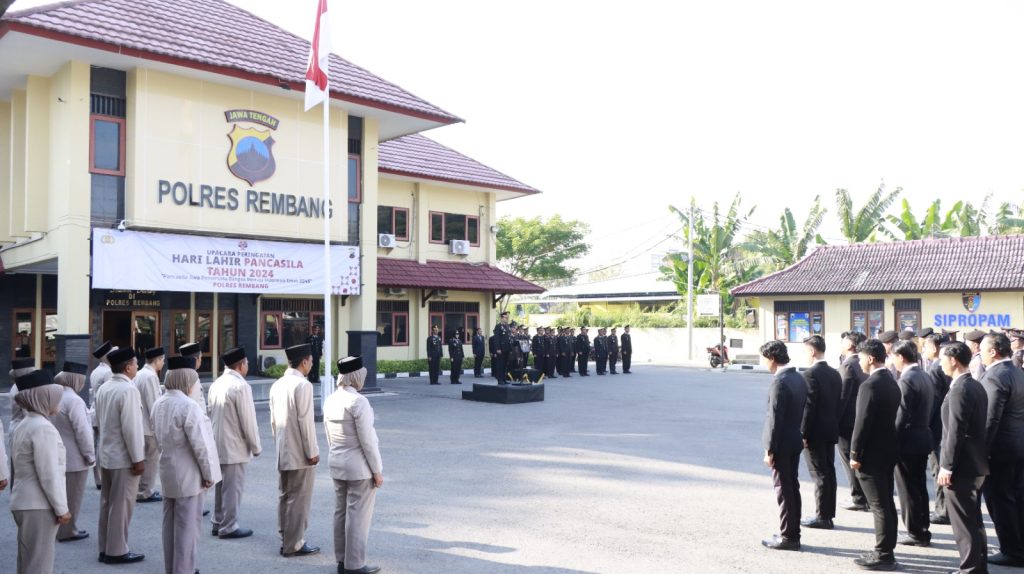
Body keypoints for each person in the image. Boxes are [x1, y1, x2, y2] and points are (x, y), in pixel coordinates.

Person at [153, 357, 221, 574]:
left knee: (170, 525)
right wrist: (209, 474)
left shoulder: (159, 403)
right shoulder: (188, 406)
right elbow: (200, 446)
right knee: (187, 528)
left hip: (167, 471)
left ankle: (171, 567)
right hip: (189, 475)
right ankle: (184, 569)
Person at [325, 357, 384, 574]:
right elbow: (368, 441)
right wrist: (377, 471)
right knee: (358, 517)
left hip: (337, 464)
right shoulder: (358, 402)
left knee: (340, 513)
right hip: (359, 468)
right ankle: (355, 564)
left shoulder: (331, 399)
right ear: (357, 376)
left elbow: (328, 434)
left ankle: (342, 561)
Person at [9, 370, 70, 574]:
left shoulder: (24, 424)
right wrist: (62, 509)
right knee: (39, 566)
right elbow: (49, 475)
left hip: (24, 502)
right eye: (54, 399)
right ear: (43, 398)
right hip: (38, 505)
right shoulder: (43, 428)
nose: (58, 404)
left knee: (28, 563)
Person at [937, 341, 990, 574]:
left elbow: (955, 431)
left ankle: (969, 569)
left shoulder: (960, 388)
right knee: (974, 520)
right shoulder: (975, 385)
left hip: (962, 465)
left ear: (953, 360)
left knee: (964, 523)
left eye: (942, 359)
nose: (940, 364)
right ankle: (978, 568)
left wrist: (946, 466)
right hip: (976, 462)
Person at [850, 339, 902, 571]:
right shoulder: (891, 382)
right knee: (886, 502)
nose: (859, 361)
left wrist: (854, 453)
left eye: (861, 356)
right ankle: (886, 548)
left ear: (870, 358)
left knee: (878, 504)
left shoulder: (869, 386)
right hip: (888, 450)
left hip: (871, 454)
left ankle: (884, 553)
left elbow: (862, 424)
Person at [94, 346, 147, 564]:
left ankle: (105, 547)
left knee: (108, 503)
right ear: (127, 367)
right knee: (121, 505)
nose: (137, 366)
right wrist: (138, 459)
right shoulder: (128, 390)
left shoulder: (105, 387)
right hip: (124, 458)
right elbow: (132, 428)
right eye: (135, 363)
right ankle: (116, 551)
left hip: (107, 455)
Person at [269, 343, 321, 558]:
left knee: (285, 495)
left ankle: (285, 537)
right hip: (300, 452)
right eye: (310, 361)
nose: (311, 365)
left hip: (283, 448)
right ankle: (295, 543)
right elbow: (305, 422)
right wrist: (312, 451)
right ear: (304, 362)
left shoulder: (278, 384)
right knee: (299, 498)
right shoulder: (303, 386)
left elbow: (273, 422)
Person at [979, 332, 1024, 566]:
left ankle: (1012, 550)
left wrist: (980, 450)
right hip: (1018, 445)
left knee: (1000, 499)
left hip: (1000, 450)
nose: (980, 354)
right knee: (1017, 497)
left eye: (983, 350)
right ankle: (1018, 545)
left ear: (994, 351)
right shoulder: (1018, 372)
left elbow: (990, 418)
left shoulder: (995, 376)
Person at [208, 346, 262, 539]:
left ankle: (218, 521)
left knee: (220, 486)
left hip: (217, 442)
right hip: (234, 444)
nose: (247, 366)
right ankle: (229, 526)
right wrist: (255, 446)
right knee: (233, 488)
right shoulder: (240, 386)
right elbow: (248, 419)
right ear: (240, 365)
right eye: (246, 363)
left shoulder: (217, 383)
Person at [759, 340, 807, 551]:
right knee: (791, 488)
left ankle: (789, 536)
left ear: (771, 359)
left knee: (783, 490)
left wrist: (769, 450)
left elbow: (774, 419)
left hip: (782, 443)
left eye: (764, 359)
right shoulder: (798, 377)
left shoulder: (780, 382)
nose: (764, 363)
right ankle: (792, 532)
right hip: (794, 439)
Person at [890, 340, 934, 547]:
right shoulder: (924, 375)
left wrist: (892, 441)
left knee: (908, 489)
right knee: (919, 487)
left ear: (901, 357)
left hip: (907, 441)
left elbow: (901, 416)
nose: (892, 360)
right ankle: (922, 528)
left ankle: (915, 532)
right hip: (922, 436)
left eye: (893, 356)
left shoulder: (907, 380)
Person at [798, 335, 842, 530]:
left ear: (813, 351)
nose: (805, 355)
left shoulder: (810, 374)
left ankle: (822, 516)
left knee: (819, 474)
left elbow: (809, 407)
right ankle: (828, 513)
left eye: (806, 351)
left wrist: (803, 433)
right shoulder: (834, 373)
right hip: (831, 429)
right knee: (829, 471)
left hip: (815, 432)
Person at [52, 362, 95, 542]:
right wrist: (90, 455)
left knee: (59, 495)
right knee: (73, 497)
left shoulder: (54, 396)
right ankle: (68, 531)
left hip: (57, 453)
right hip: (75, 458)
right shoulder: (74, 400)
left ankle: (58, 529)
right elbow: (82, 432)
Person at [837, 331, 869, 512]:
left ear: (850, 345)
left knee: (850, 460)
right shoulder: (862, 364)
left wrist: (835, 422)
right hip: (861, 420)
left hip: (848, 423)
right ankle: (864, 496)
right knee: (859, 459)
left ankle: (858, 498)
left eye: (843, 342)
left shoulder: (848, 366)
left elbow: (842, 398)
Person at [922, 333, 952, 526]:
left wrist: (925, 426)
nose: (923, 350)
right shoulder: (941, 367)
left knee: (938, 469)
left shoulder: (935, 369)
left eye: (925, 346)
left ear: (934, 348)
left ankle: (943, 510)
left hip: (936, 427)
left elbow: (932, 403)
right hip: (945, 424)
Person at [134, 347, 165, 504]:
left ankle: (140, 488)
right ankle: (145, 491)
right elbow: (154, 404)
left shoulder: (139, 373)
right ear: (157, 360)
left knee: (143, 458)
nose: (163, 363)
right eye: (162, 360)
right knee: (150, 460)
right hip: (148, 426)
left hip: (140, 423)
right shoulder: (151, 377)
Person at [89, 340, 114, 489]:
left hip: (95, 408)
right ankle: (101, 478)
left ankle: (98, 478)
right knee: (101, 445)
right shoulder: (108, 372)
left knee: (97, 444)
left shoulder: (96, 370)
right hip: (102, 409)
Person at [177, 342, 207, 410]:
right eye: (200, 357)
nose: (201, 360)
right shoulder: (192, 377)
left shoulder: (178, 374)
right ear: (196, 359)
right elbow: (193, 405)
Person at [493, 312, 513, 384]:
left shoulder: (507, 326)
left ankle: (504, 379)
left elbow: (509, 338)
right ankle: (500, 380)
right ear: (501, 318)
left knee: (505, 365)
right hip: (500, 349)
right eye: (505, 317)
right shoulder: (498, 326)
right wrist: (497, 348)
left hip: (506, 349)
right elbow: (496, 338)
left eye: (507, 317)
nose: (506, 319)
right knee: (500, 365)